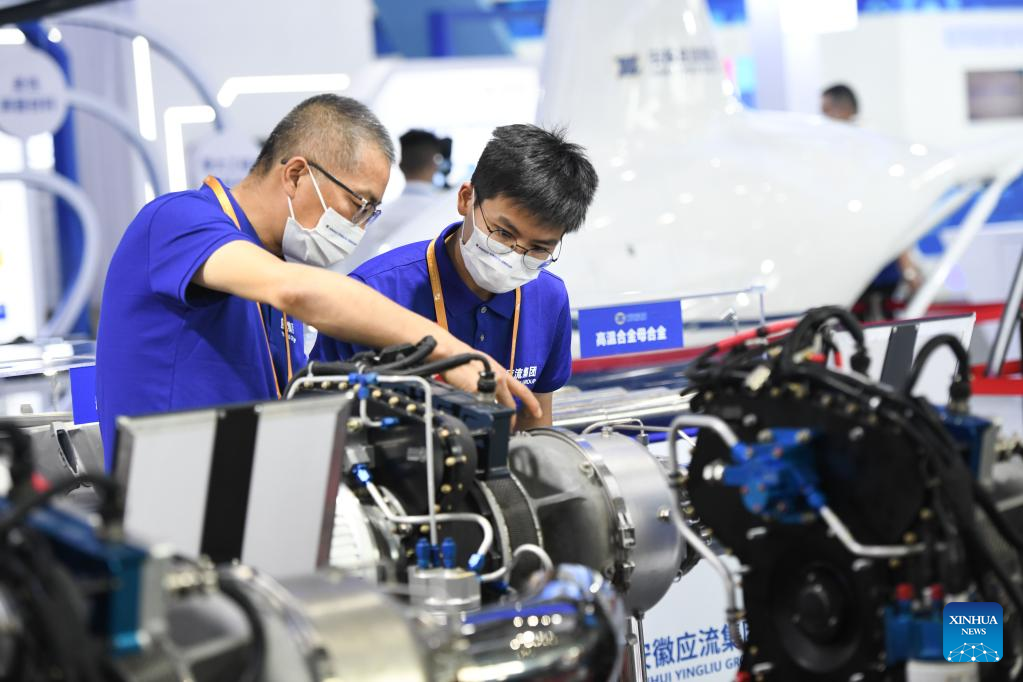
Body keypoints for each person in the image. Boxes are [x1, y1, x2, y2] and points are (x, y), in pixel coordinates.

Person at [95, 95, 538, 467]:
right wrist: (449, 351)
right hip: (168, 504)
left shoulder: (271, 265)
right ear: (295, 174)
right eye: (358, 204)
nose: (359, 225)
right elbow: (297, 291)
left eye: (372, 213)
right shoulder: (178, 220)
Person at [311, 124, 599, 430]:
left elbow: (536, 423)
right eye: (503, 233)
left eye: (539, 248)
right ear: (466, 199)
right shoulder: (374, 292)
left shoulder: (548, 298)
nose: (514, 256)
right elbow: (319, 423)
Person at [820, 84, 922, 318]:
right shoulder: (841, 152)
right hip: (853, 262)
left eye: (825, 110)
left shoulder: (870, 153)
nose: (821, 118)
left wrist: (907, 265)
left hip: (877, 265)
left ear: (842, 110)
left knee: (878, 326)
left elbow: (891, 209)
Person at [340, 129, 451, 274]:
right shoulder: (448, 218)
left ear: (401, 165)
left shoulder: (372, 219)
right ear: (435, 165)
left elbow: (353, 268)